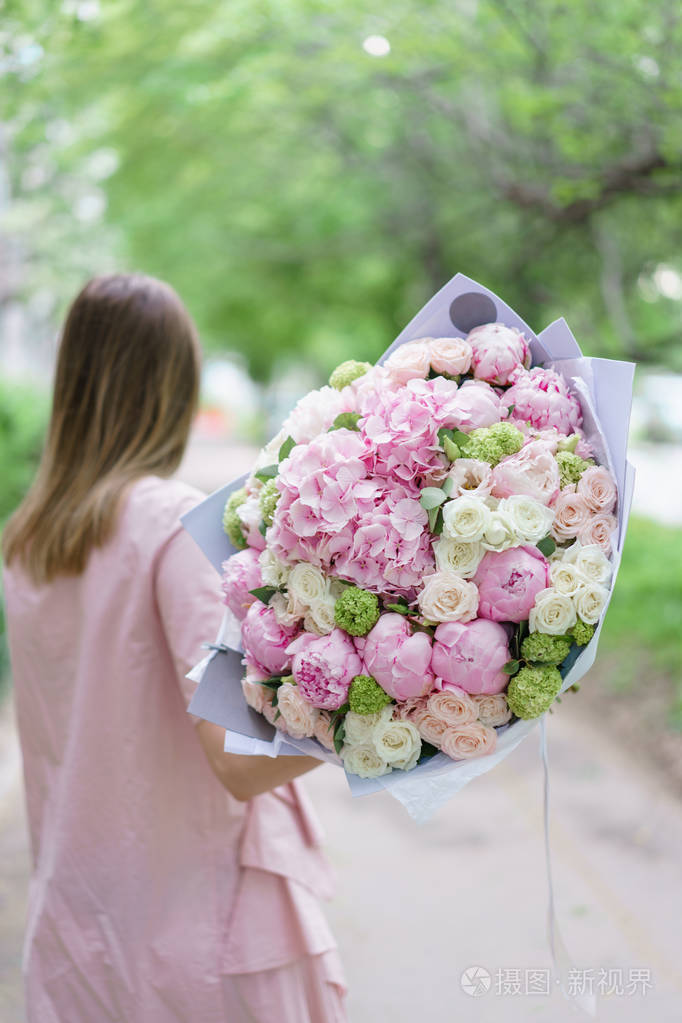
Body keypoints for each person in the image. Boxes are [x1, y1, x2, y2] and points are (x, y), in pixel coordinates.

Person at [2, 273, 348, 1022]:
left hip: (77, 931)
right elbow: (236, 762)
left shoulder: (27, 541)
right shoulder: (171, 522)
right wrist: (384, 725)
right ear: (172, 387)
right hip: (197, 941)